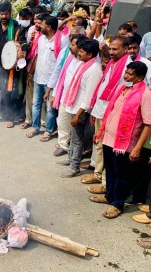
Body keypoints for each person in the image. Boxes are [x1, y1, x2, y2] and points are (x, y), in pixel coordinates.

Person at [91, 62, 151, 219]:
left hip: (125, 144)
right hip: (109, 139)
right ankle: (109, 196)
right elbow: (111, 111)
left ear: (140, 77)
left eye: (130, 74)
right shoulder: (122, 89)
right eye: (126, 72)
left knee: (122, 175)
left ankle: (117, 204)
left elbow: (148, 124)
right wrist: (101, 132)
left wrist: (138, 148)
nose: (126, 76)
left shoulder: (145, 94)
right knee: (109, 170)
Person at [82, 36, 131, 187]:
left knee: (106, 148)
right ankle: (97, 174)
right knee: (99, 145)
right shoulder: (112, 62)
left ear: (125, 49)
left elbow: (127, 93)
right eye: (110, 48)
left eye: (115, 49)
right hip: (100, 110)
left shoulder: (127, 67)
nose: (111, 52)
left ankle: (105, 183)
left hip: (111, 114)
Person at [59, 39, 102, 178]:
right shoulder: (84, 64)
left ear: (90, 54)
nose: (79, 53)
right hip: (74, 107)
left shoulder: (94, 69)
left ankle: (74, 166)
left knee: (77, 139)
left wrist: (78, 114)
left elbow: (89, 97)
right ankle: (71, 158)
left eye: (82, 51)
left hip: (81, 110)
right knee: (73, 136)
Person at [25, 15, 68, 140]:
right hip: (38, 77)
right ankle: (35, 127)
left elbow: (62, 63)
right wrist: (31, 73)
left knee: (50, 108)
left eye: (42, 25)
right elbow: (37, 56)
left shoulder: (62, 40)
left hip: (52, 81)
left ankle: (48, 131)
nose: (39, 26)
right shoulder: (41, 39)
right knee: (36, 104)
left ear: (48, 27)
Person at [50, 30, 86, 157]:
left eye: (73, 45)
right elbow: (62, 76)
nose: (70, 47)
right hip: (64, 96)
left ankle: (74, 153)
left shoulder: (86, 62)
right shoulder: (70, 58)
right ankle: (63, 145)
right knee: (63, 122)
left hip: (77, 100)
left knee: (76, 129)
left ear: (81, 47)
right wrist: (55, 93)